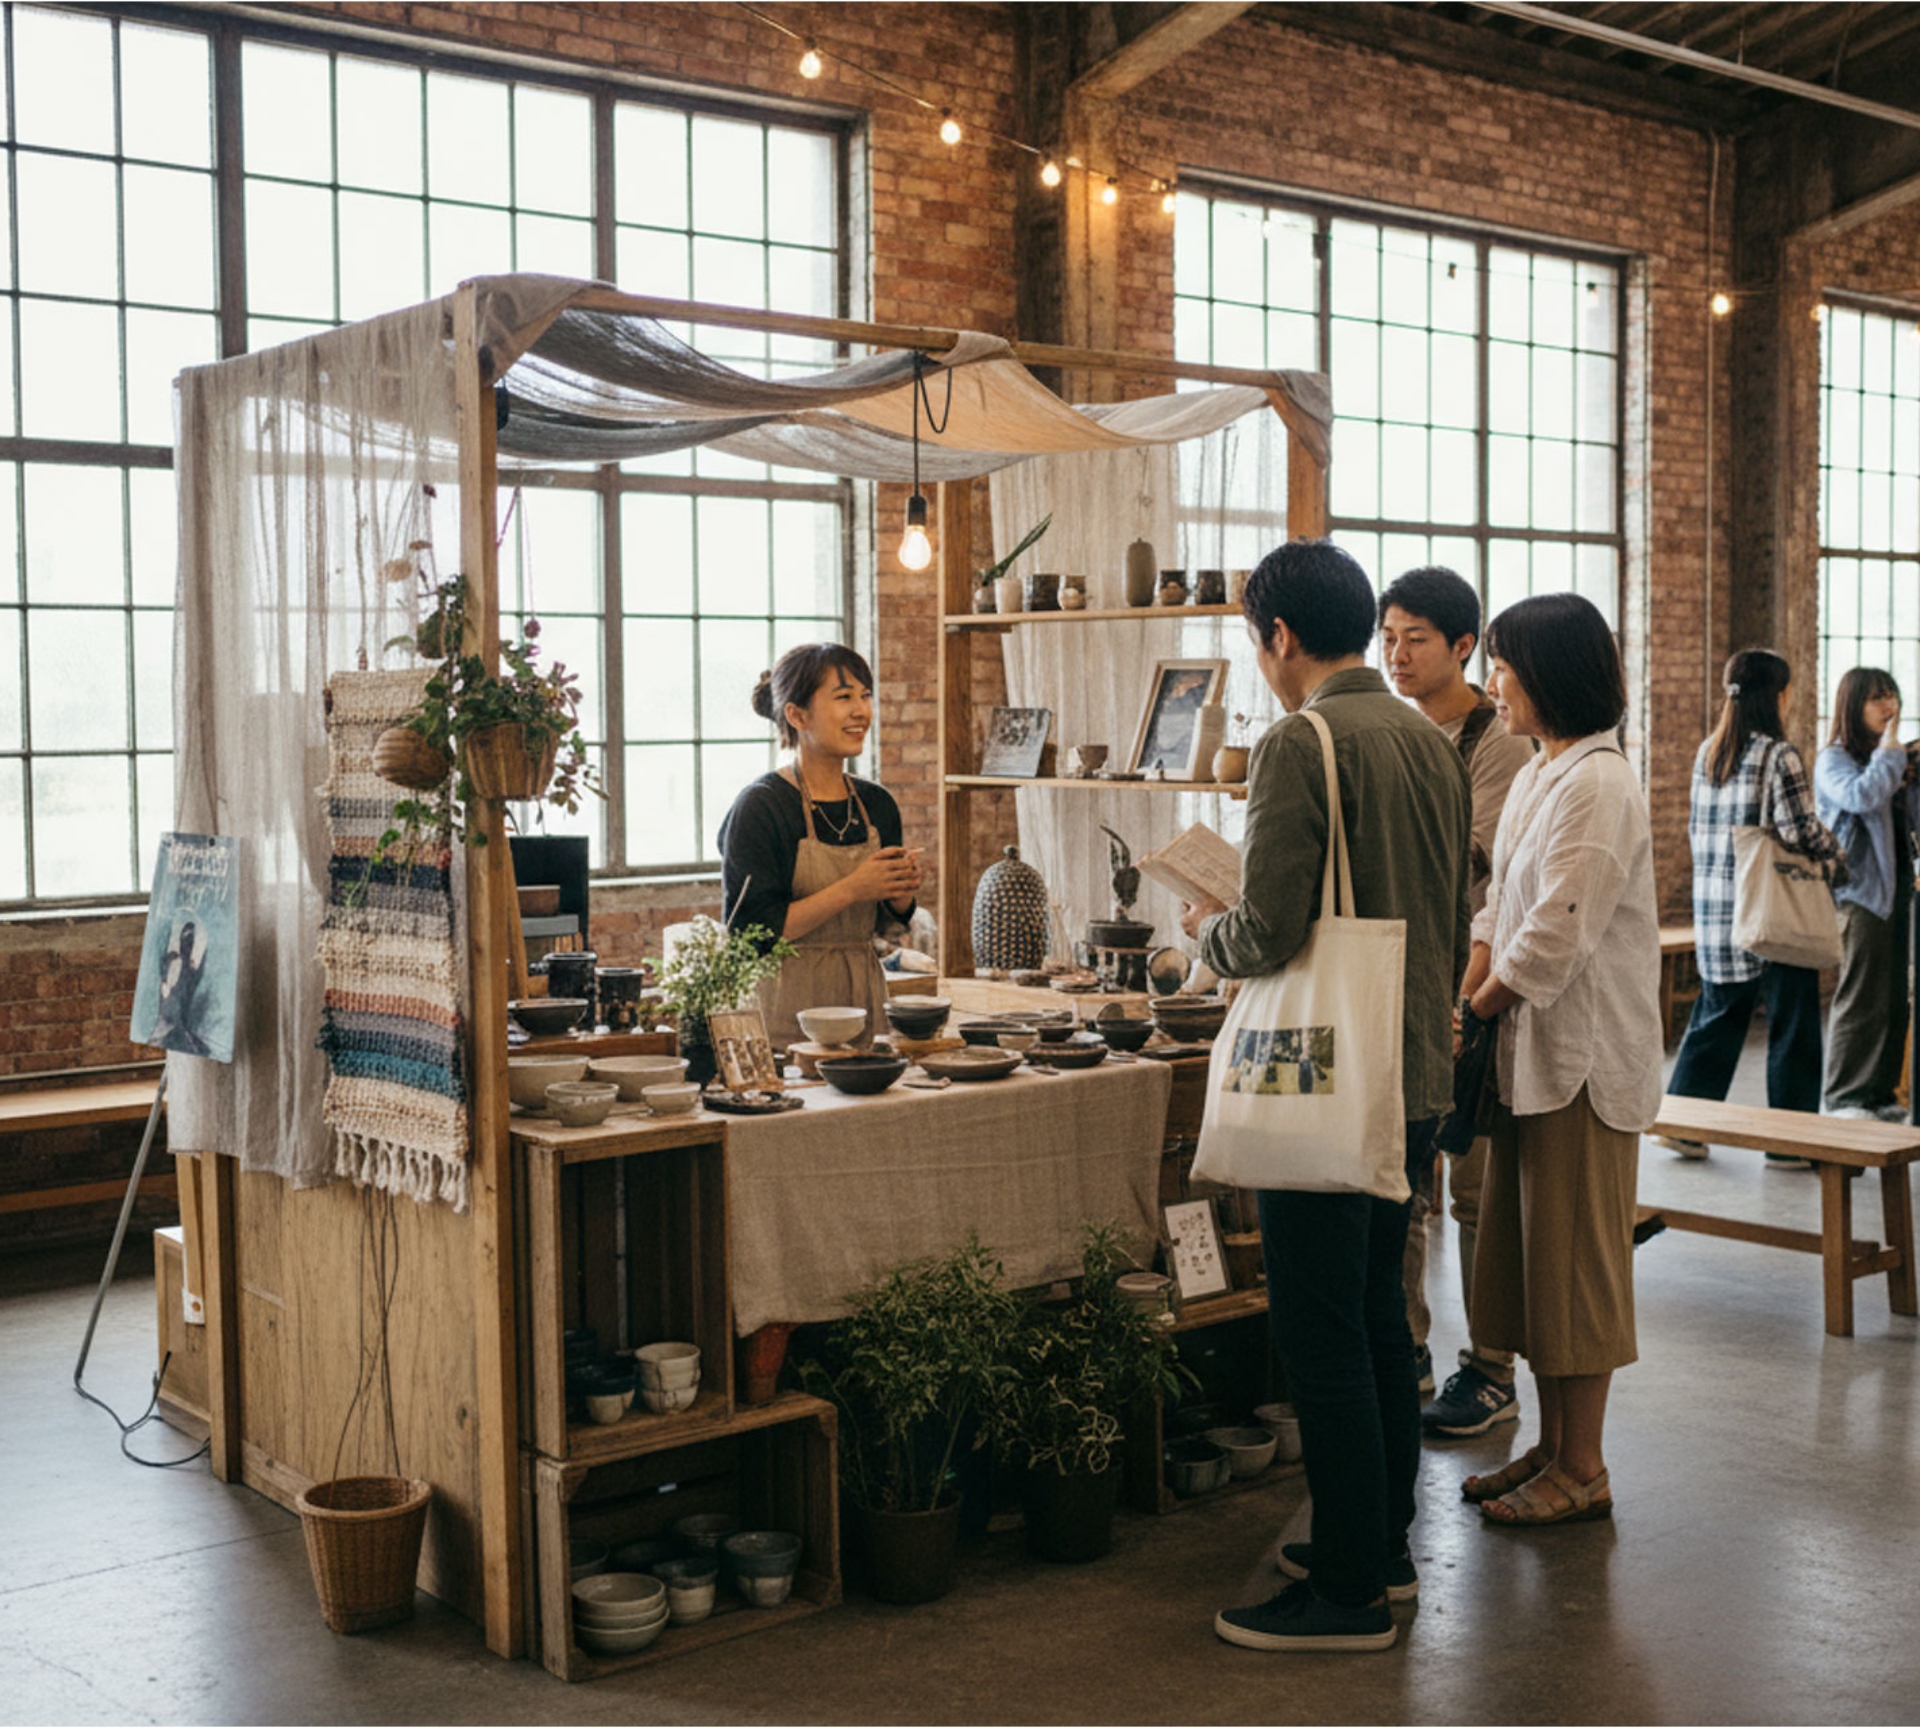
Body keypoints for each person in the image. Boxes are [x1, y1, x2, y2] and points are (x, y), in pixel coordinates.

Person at [1182, 539, 1471, 1654]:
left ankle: (1349, 1592)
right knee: (1376, 1325)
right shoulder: (1427, 735)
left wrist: (1201, 931)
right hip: (1409, 1072)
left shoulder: (1300, 744)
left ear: (1280, 638)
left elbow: (1266, 929)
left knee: (1323, 1336)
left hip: (1323, 1078)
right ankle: (1379, 1547)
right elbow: (1448, 909)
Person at [1456, 592, 1661, 1527]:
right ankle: (1551, 1447)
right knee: (1535, 1268)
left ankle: (1585, 1468)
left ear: (1550, 677)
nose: (1494, 683)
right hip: (1528, 1057)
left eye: (1505, 666)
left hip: (1580, 1063)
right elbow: (1501, 904)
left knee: (1575, 1273)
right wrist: (1471, 989)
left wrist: (1479, 1006)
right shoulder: (1547, 771)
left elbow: (1555, 935)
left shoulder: (1600, 782)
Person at [1378, 566, 1535, 1439]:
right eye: (1388, 638)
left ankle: (1492, 1369)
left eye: (1417, 639)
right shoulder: (1400, 732)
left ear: (1465, 645)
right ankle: (1406, 1351)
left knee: (1474, 1191)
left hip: (1472, 985)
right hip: (1406, 976)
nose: (1398, 656)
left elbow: (1476, 867)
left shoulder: (1496, 741)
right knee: (1401, 1182)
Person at [1662, 649, 1840, 1165]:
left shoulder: (1708, 753)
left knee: (1717, 1016)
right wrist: (1837, 852)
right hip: (1770, 907)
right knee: (1794, 1024)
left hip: (1718, 909)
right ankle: (1790, 1144)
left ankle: (1685, 1125)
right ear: (1775, 695)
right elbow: (1798, 829)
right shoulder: (1777, 754)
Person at [717, 643, 921, 1050]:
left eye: (865, 696)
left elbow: (886, 925)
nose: (861, 711)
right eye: (843, 697)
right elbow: (750, 936)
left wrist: (900, 895)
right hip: (784, 1009)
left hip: (863, 1004)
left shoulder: (877, 804)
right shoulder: (761, 805)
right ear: (797, 715)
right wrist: (854, 887)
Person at [1815, 667, 1918, 1122]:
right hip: (1858, 895)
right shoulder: (1834, 759)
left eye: (1892, 696)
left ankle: (1879, 1093)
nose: (1889, 706)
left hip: (1897, 891)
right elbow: (1862, 797)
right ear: (1853, 706)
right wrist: (1893, 756)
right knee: (1860, 994)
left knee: (1893, 994)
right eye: (1877, 698)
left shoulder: (1891, 757)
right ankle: (1843, 1097)